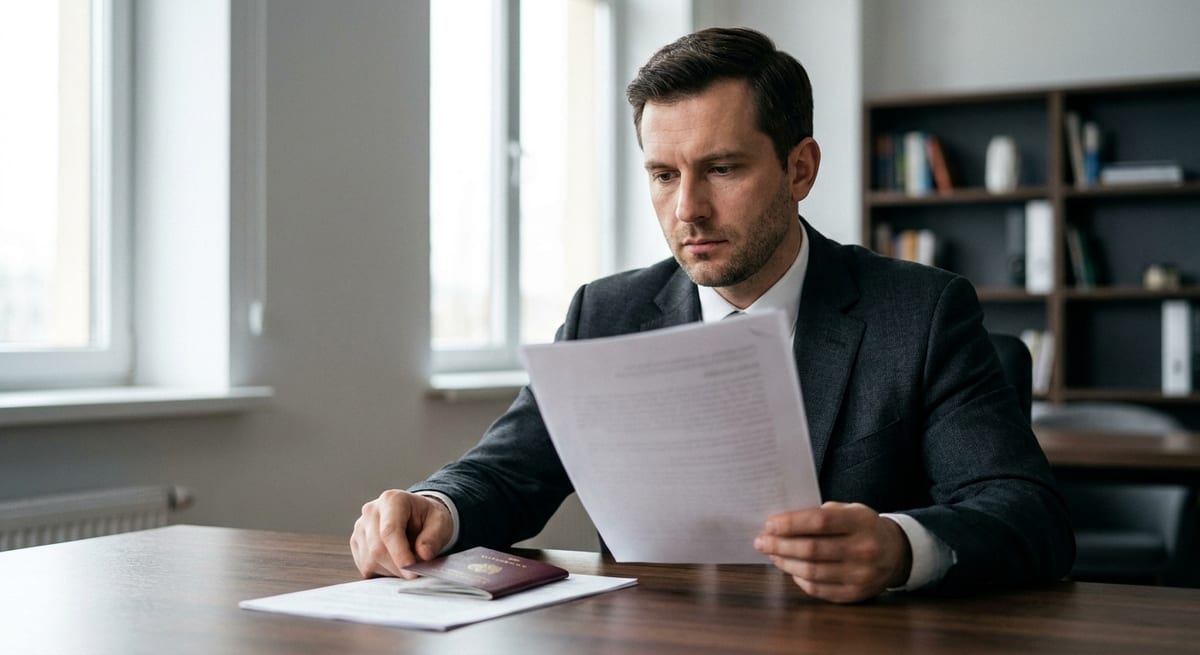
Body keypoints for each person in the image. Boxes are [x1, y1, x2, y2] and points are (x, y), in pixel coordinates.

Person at [351, 27, 1074, 603]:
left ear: (800, 169)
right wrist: (434, 505)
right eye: (664, 175)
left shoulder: (920, 312)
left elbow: (1026, 513)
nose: (687, 208)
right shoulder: (606, 310)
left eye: (722, 169)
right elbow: (507, 472)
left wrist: (899, 546)